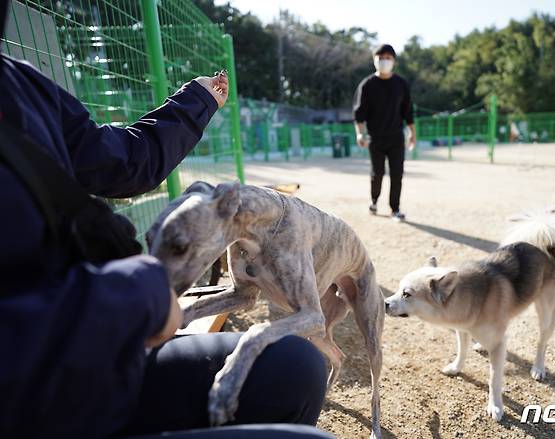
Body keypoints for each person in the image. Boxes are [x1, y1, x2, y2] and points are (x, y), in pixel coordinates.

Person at [0, 2, 331, 437]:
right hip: (31, 395)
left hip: (97, 356)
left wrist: (195, 100)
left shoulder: (19, 82)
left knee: (297, 367)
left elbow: (119, 160)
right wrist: (138, 298)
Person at [353, 43, 415, 222]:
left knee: (397, 174)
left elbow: (408, 112)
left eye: (388, 58)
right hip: (376, 138)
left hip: (396, 137)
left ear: (394, 61)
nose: (384, 61)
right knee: (377, 173)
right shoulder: (367, 85)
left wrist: (412, 133)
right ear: (374, 60)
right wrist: (360, 133)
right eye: (380, 57)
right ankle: (374, 200)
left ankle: (395, 209)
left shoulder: (401, 84)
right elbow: (359, 113)